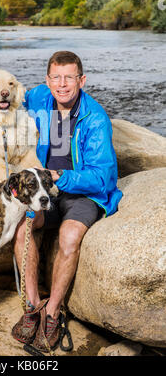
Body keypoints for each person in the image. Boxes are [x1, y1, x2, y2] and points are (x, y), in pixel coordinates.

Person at [12, 51, 123, 352]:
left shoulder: (95, 118)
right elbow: (13, 96)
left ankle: (52, 313)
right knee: (24, 228)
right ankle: (33, 307)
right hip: (50, 191)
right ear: (48, 80)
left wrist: (60, 175)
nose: (62, 85)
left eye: (69, 78)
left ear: (81, 80)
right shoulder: (40, 97)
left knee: (70, 236)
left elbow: (103, 177)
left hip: (83, 193)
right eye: (56, 78)